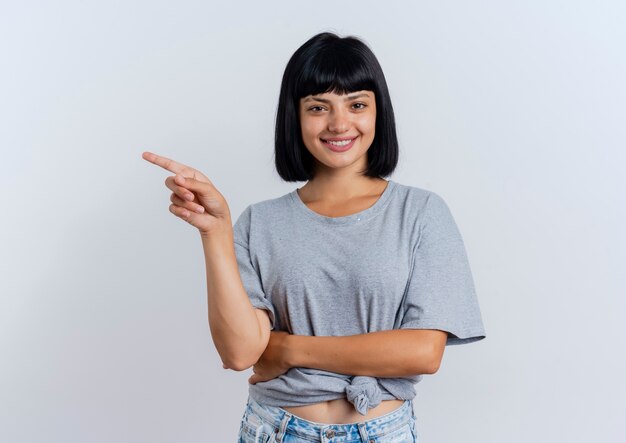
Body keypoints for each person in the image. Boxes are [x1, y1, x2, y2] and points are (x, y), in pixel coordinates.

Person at [143, 31, 486, 443]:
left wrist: (288, 349)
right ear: (295, 115)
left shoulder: (421, 213)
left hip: (382, 431)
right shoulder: (260, 223)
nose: (339, 124)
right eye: (318, 107)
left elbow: (422, 353)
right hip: (275, 429)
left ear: (379, 112)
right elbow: (239, 353)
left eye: (357, 104)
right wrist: (216, 231)